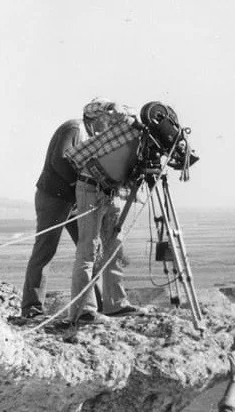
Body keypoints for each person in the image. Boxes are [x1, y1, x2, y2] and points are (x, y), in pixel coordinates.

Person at [17, 99, 116, 320]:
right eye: (106, 120)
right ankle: (31, 309)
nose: (108, 125)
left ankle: (92, 307)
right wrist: (79, 185)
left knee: (89, 250)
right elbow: (59, 160)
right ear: (96, 118)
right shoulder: (74, 128)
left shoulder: (89, 134)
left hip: (72, 200)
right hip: (54, 198)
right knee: (45, 250)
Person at [63, 104, 142, 323]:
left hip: (109, 190)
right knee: (88, 248)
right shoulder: (107, 130)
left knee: (113, 246)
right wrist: (111, 107)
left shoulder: (121, 131)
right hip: (90, 189)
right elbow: (97, 106)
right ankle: (82, 311)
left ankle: (116, 304)